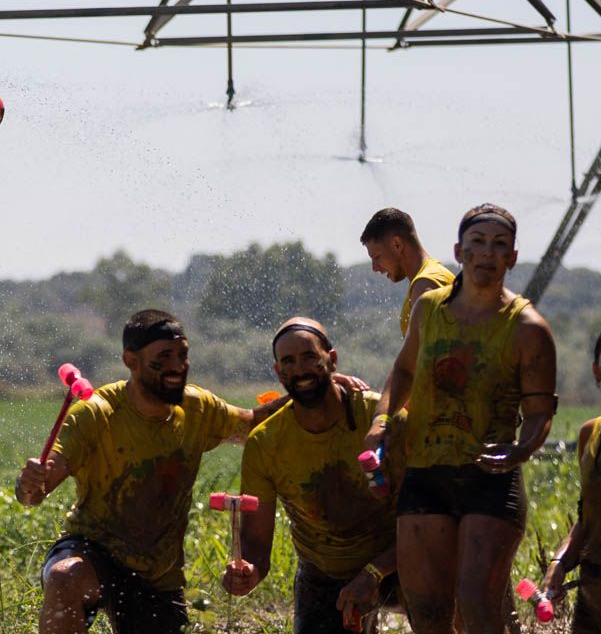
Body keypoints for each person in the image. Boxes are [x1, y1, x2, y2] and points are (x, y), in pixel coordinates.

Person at [14, 309, 345, 634]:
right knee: (64, 576)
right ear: (131, 361)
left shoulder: (197, 407)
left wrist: (321, 388)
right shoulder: (96, 413)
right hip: (94, 552)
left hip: (157, 577)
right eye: (164, 357)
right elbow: (35, 492)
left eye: (182, 355)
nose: (177, 366)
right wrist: (30, 483)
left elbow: (253, 424)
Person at [363, 203, 558, 634]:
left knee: (476, 605)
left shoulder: (528, 327)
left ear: (512, 257)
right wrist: (381, 422)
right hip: (425, 472)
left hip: (488, 477)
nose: (487, 252)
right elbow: (404, 371)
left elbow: (540, 411)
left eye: (499, 245)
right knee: (427, 611)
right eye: (477, 243)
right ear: (459, 251)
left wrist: (522, 448)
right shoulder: (429, 308)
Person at [223, 318, 402, 634]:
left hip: (399, 559)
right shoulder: (266, 443)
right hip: (324, 573)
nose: (300, 369)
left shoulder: (378, 419)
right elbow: (256, 544)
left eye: (309, 357)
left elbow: (426, 517)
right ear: (278, 372)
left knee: (438, 611)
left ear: (332, 360)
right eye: (289, 362)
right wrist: (248, 571)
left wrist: (374, 573)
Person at [541, 322, 601, 633]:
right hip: (596, 596)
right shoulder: (590, 434)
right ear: (597, 371)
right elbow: (588, 518)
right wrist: (558, 565)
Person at [360, 207, 456, 337]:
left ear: (397, 244)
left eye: (377, 257)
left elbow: (436, 349)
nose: (374, 268)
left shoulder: (425, 284)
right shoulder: (427, 278)